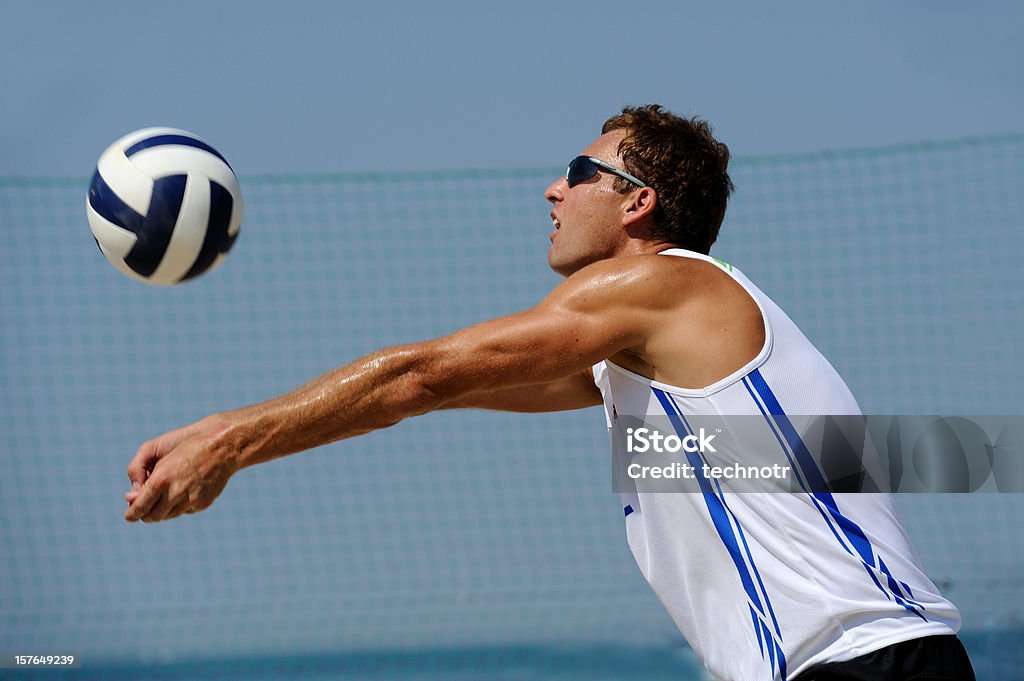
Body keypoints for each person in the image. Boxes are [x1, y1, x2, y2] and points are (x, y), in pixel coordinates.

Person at [124, 105, 975, 681]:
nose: (552, 188)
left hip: (866, 662)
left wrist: (231, 437)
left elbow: (420, 375)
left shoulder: (668, 284)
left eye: (580, 170)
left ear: (639, 203)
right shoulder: (647, 351)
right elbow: (436, 390)